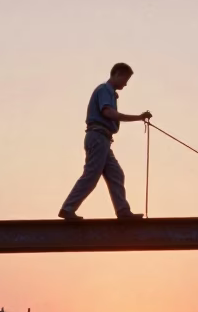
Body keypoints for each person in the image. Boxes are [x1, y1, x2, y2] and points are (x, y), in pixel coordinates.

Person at [57, 62, 152, 221]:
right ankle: (68, 208)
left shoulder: (109, 93)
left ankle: (122, 210)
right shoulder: (104, 90)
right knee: (91, 175)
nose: (126, 84)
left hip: (104, 139)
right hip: (98, 137)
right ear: (117, 74)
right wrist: (138, 118)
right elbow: (108, 112)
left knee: (116, 173)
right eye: (125, 79)